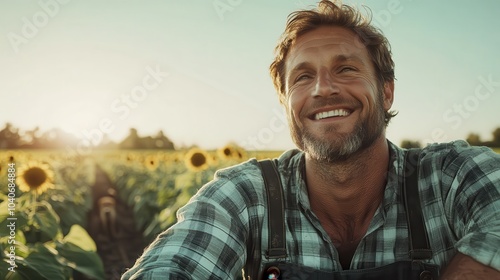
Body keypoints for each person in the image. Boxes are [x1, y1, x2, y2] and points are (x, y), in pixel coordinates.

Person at [121, 1, 500, 279]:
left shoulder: (449, 177)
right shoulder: (248, 195)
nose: (323, 89)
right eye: (302, 77)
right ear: (286, 103)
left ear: (387, 93)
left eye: (346, 68)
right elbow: (175, 265)